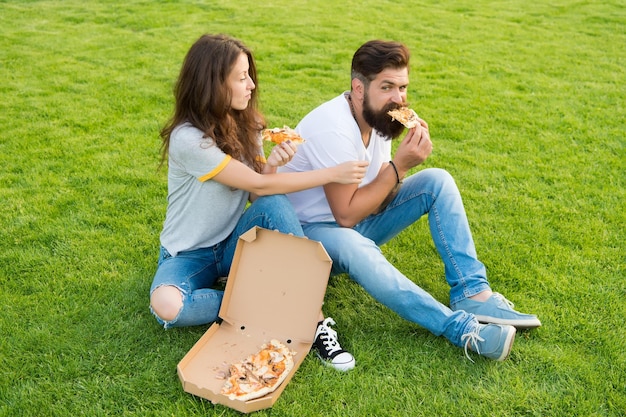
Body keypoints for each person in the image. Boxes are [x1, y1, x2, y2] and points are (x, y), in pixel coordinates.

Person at [280, 39, 541, 363]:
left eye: (402, 87)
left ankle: (473, 293)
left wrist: (400, 166)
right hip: (308, 236)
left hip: (353, 220)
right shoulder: (333, 129)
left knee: (437, 181)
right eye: (387, 87)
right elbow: (346, 216)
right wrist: (399, 165)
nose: (398, 98)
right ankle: (462, 330)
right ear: (358, 88)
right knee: (356, 245)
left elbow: (377, 197)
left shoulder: (381, 120)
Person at [149, 34, 368, 371]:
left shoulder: (248, 125)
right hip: (188, 254)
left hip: (233, 244)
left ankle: (313, 320)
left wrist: (275, 161)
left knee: (276, 203)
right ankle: (264, 302)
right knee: (167, 306)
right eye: (241, 78)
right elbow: (256, 183)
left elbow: (259, 191)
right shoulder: (188, 140)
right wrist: (331, 174)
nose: (251, 84)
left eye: (249, 74)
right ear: (213, 84)